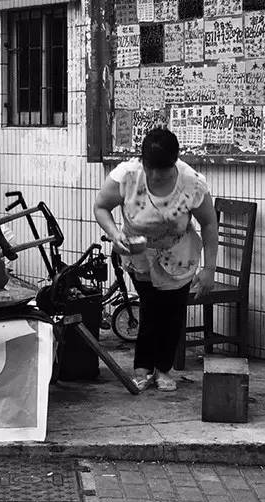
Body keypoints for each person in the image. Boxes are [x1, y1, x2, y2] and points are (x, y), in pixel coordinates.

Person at [93, 128, 218, 392]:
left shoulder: (191, 182)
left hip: (180, 255)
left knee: (172, 312)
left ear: (175, 162)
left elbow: (208, 223)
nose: (154, 176)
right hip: (139, 254)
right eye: (150, 168)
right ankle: (142, 368)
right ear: (142, 162)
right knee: (151, 307)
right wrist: (115, 234)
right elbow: (101, 206)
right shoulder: (127, 176)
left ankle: (163, 369)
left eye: (162, 170)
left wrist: (209, 268)